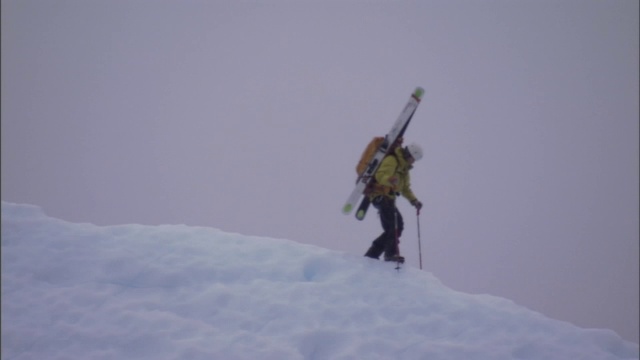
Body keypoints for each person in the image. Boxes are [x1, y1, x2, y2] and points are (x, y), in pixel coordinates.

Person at [364, 142, 423, 263]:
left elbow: (405, 188)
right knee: (396, 225)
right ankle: (390, 254)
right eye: (413, 159)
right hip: (381, 196)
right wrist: (389, 179)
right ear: (408, 154)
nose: (413, 162)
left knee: (394, 227)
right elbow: (381, 175)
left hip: (388, 199)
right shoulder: (392, 160)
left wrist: (414, 201)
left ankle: (372, 254)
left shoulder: (404, 170)